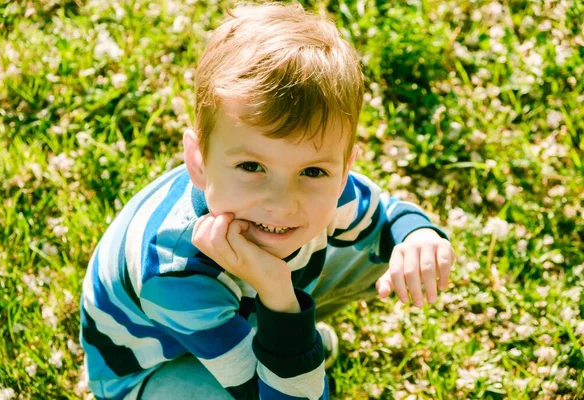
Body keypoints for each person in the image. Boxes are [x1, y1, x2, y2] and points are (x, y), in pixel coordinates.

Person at [79, 2, 455, 399]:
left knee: (386, 252)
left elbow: (387, 217)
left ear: (343, 169)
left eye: (312, 172)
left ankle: (278, 338)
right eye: (251, 166)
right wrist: (279, 298)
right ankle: (281, 338)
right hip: (158, 368)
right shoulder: (175, 275)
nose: (281, 203)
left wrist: (418, 238)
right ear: (199, 162)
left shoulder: (326, 190)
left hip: (242, 310)